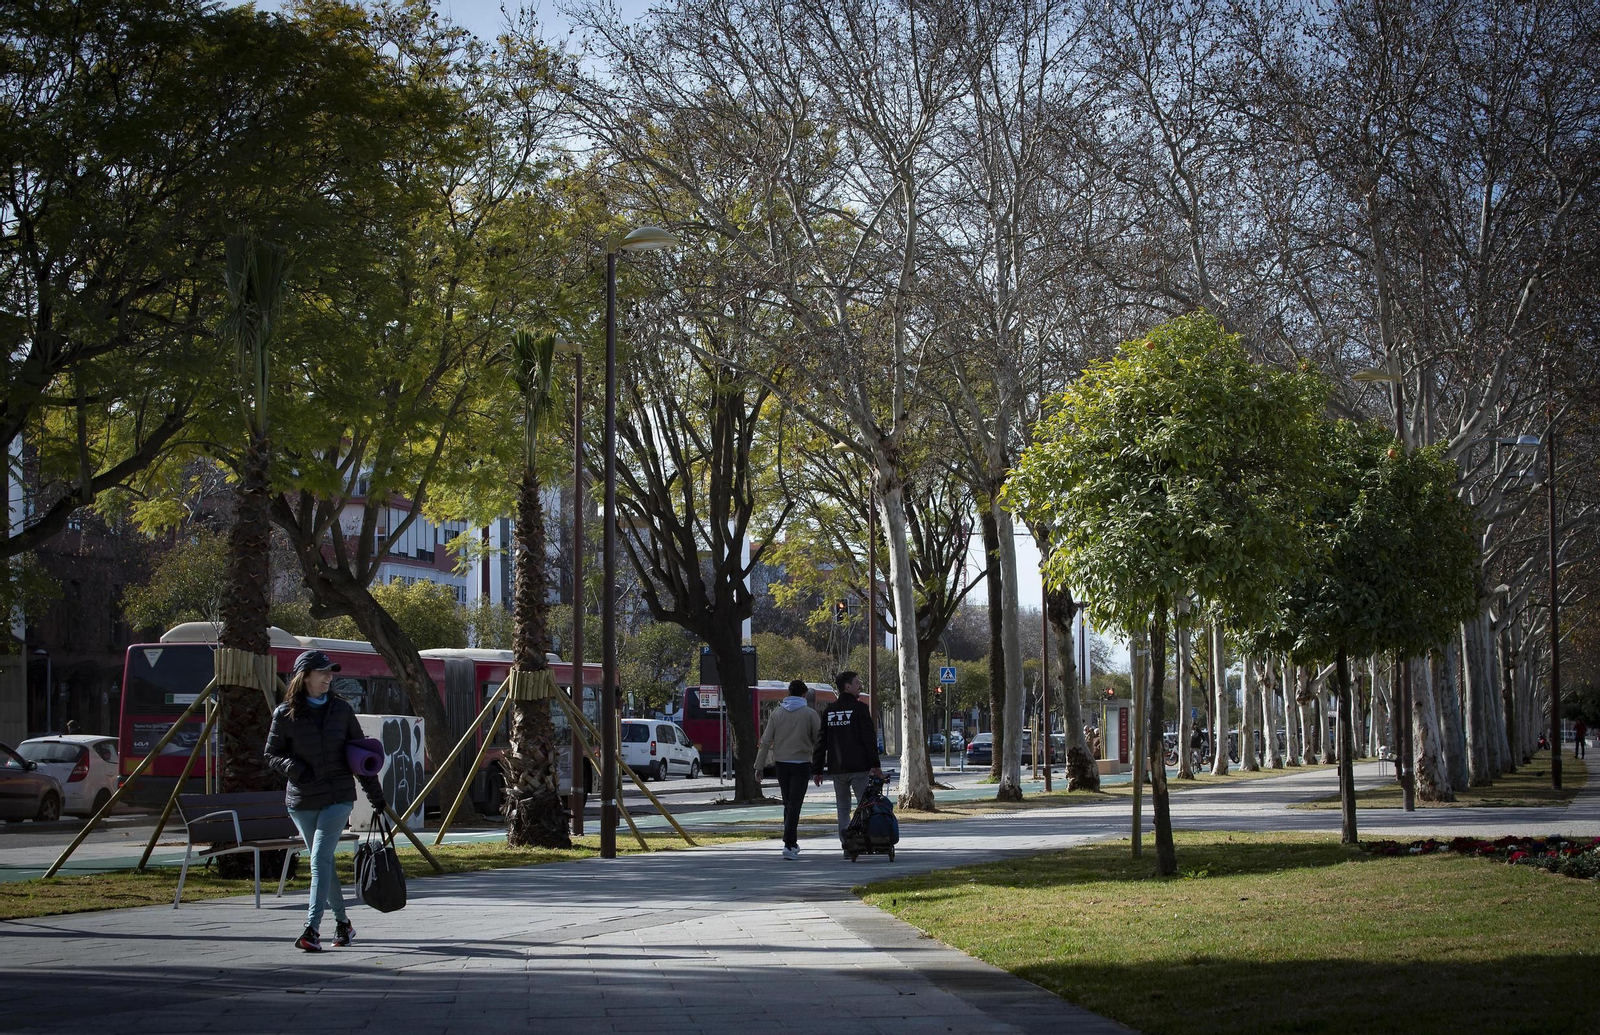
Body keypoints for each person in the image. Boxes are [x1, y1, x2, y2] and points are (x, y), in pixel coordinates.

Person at [264, 650, 386, 953]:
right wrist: (291, 767)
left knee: (319, 859)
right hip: (302, 800)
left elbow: (361, 756)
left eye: (331, 672)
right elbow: (271, 755)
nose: (329, 677)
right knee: (325, 863)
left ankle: (311, 929)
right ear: (304, 676)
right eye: (323, 672)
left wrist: (375, 796)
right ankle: (343, 924)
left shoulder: (341, 711)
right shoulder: (284, 714)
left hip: (337, 797)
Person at [813, 670, 883, 856]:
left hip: (837, 768)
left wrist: (817, 769)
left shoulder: (829, 712)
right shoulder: (860, 710)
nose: (860, 685)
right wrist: (875, 765)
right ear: (847, 686)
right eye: (857, 683)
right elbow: (868, 739)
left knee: (842, 808)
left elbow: (821, 742)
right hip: (859, 768)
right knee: (863, 807)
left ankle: (846, 843)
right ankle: (861, 841)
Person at [756, 679, 822, 861]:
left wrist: (759, 765)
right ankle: (788, 842)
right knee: (795, 803)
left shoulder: (777, 713)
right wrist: (820, 765)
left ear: (788, 693)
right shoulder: (810, 713)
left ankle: (791, 843)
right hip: (801, 763)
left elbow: (766, 740)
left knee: (788, 802)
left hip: (781, 764)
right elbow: (818, 740)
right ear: (804, 694)